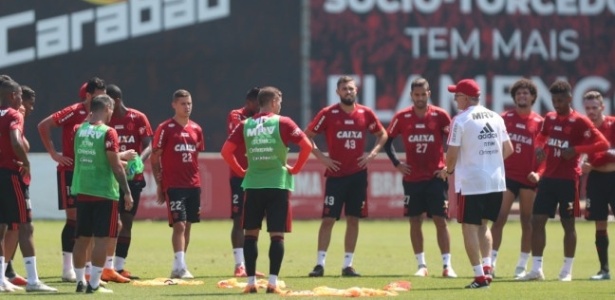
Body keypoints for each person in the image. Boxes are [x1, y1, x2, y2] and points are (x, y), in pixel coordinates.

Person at [221, 86, 312, 294]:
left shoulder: (245, 124)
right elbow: (306, 146)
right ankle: (272, 283)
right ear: (272, 102)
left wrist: (242, 171)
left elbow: (226, 151)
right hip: (278, 185)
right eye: (279, 102)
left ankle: (251, 283)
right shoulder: (284, 122)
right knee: (277, 235)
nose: (280, 105)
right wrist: (295, 169)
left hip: (253, 184)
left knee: (250, 234)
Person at [521, 80, 609, 282]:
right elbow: (541, 137)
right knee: (537, 221)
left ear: (569, 99)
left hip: (570, 181)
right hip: (548, 179)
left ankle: (567, 270)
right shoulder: (550, 118)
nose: (556, 104)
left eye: (560, 100)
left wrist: (577, 150)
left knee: (568, 224)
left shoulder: (580, 121)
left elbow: (602, 143)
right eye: (553, 100)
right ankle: (536, 269)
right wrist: (539, 147)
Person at [306, 75, 387, 277]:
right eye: (344, 89)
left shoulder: (365, 113)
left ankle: (347, 265)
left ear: (356, 90)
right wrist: (322, 159)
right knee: (328, 219)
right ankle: (319, 264)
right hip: (335, 175)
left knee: (353, 219)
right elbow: (307, 136)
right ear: (337, 92)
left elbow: (382, 134)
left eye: (350, 88)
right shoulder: (328, 113)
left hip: (358, 175)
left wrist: (373, 153)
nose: (348, 92)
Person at [442, 79, 514, 289]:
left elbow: (451, 154)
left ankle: (479, 276)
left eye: (457, 95)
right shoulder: (496, 117)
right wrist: (490, 162)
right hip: (495, 181)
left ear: (465, 97)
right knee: (483, 225)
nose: (455, 99)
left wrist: (447, 171)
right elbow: (508, 149)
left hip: (472, 182)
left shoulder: (461, 120)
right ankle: (488, 267)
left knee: (468, 227)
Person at [383, 78, 457, 278]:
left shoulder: (440, 116)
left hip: (435, 177)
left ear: (429, 93)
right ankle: (421, 266)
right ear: (411, 96)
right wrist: (397, 164)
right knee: (415, 221)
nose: (420, 98)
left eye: (423, 94)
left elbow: (454, 142)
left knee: (441, 221)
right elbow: (387, 142)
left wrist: (448, 169)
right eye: (416, 95)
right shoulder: (402, 117)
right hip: (413, 179)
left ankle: (447, 266)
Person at [38, 77, 106, 281]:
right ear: (88, 95)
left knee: (90, 220)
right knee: (74, 218)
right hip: (70, 171)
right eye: (98, 95)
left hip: (91, 173)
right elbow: (44, 125)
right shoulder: (74, 111)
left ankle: (86, 268)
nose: (102, 99)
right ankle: (67, 268)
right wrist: (54, 154)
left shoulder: (101, 114)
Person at [71, 94, 134, 294]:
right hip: (104, 192)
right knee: (101, 239)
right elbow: (115, 166)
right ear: (107, 108)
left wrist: (119, 157)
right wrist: (127, 192)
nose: (112, 114)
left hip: (82, 189)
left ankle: (80, 281)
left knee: (82, 239)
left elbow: (94, 155)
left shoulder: (79, 130)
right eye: (112, 110)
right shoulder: (109, 132)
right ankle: (95, 283)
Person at [0, 82, 57, 293]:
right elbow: (17, 143)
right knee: (26, 225)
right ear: (14, 95)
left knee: (3, 226)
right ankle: (33, 280)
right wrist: (26, 162)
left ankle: (2, 278)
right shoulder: (14, 115)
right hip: (12, 175)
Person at [489, 79, 544, 279]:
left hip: (529, 178)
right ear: (514, 97)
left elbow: (543, 152)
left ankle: (522, 264)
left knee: (526, 220)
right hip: (507, 176)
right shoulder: (504, 118)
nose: (522, 96)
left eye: (526, 93)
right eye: (519, 93)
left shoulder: (539, 122)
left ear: (533, 97)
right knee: (499, 217)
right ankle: (491, 262)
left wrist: (539, 172)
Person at [151, 89, 204, 279]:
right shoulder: (165, 128)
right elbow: (155, 157)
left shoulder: (197, 129)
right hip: (173, 184)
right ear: (174, 105)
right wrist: (159, 184)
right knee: (179, 225)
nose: (187, 107)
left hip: (193, 184)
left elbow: (196, 155)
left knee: (188, 224)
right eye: (183, 103)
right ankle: (180, 265)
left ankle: (179, 265)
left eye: (189, 103)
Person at [106, 84, 153, 281]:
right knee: (110, 223)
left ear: (115, 101)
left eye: (107, 101)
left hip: (133, 180)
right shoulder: (103, 122)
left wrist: (138, 163)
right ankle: (104, 266)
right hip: (109, 177)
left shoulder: (137, 118)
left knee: (126, 221)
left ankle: (119, 266)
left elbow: (149, 145)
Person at [225, 87, 264, 277]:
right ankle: (238, 264)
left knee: (254, 222)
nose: (261, 107)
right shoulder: (236, 115)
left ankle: (250, 265)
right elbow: (242, 132)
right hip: (239, 177)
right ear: (249, 103)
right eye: (259, 103)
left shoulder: (264, 118)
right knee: (238, 220)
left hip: (259, 175)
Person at [580, 91, 615, 280]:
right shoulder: (585, 130)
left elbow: (609, 153)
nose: (591, 111)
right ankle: (604, 270)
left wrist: (594, 162)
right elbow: (581, 155)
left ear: (602, 107)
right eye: (587, 108)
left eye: (594, 108)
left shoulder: (613, 124)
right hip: (596, 180)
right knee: (599, 223)